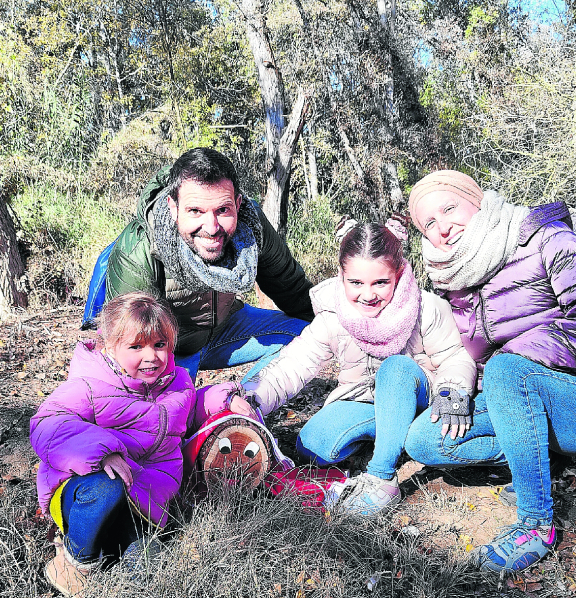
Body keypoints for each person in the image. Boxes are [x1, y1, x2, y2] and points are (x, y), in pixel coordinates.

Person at [403, 170, 576, 575]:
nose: (443, 227)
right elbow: (459, 354)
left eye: (449, 208)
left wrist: (513, 358)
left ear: (477, 200)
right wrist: (452, 390)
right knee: (424, 440)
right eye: (429, 224)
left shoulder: (545, 238)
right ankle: (536, 455)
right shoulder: (451, 277)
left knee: (507, 369)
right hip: (511, 396)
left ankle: (536, 525)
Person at [229, 217, 477, 516]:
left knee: (396, 368)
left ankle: (382, 478)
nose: (368, 295)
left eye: (380, 282)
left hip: (418, 396)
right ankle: (393, 434)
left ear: (398, 273)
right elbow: (294, 363)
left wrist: (452, 392)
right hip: (363, 401)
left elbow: (454, 357)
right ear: (341, 276)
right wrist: (252, 398)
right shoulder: (333, 316)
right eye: (356, 283)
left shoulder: (426, 307)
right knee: (315, 446)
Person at [87, 147, 315, 378]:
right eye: (195, 211)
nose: (212, 228)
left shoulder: (252, 226)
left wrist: (328, 320)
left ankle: (245, 397)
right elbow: (133, 343)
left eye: (223, 210)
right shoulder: (139, 246)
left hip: (226, 326)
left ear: (237, 205)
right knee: (164, 392)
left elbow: (290, 287)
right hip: (168, 348)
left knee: (309, 334)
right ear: (173, 207)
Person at [29, 293, 196, 595]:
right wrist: (102, 452)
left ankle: (116, 546)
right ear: (110, 346)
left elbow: (194, 409)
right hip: (87, 490)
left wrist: (226, 398)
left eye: (159, 344)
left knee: (147, 570)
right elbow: (47, 423)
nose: (151, 356)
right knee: (107, 488)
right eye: (136, 347)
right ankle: (75, 562)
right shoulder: (90, 384)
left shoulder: (179, 383)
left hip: (143, 500)